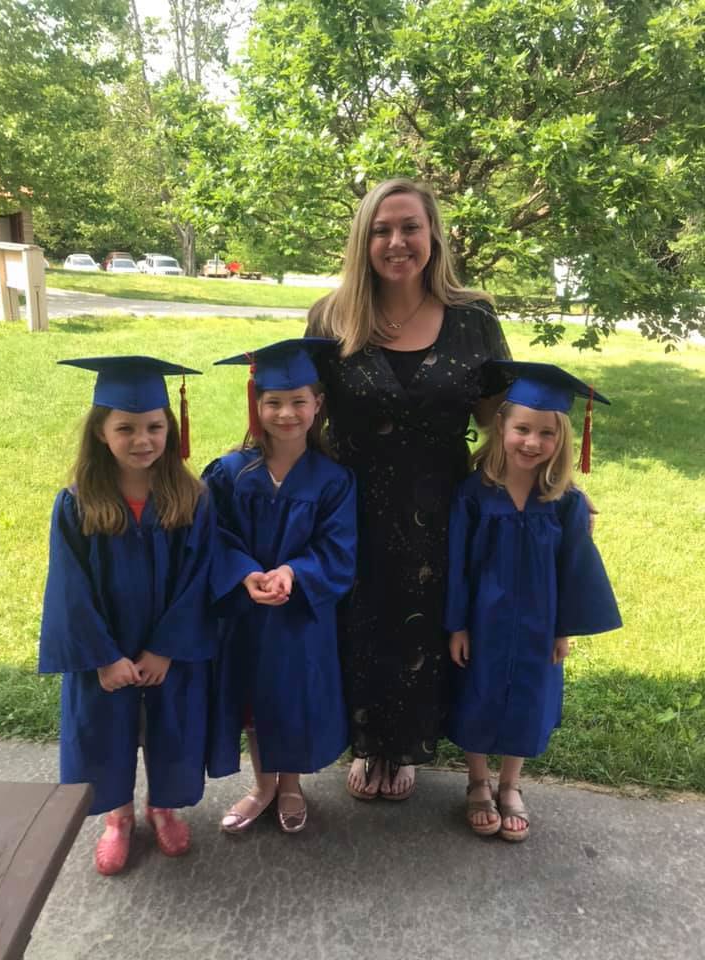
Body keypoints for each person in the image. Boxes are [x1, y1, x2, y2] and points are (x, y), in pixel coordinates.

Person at [305, 177, 512, 800]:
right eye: (381, 230)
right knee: (360, 621)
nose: (396, 242)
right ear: (363, 240)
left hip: (439, 503)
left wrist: (557, 490)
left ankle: (406, 747)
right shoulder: (332, 315)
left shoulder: (473, 316)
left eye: (410, 228)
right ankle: (370, 745)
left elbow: (499, 420)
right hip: (352, 504)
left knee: (423, 626)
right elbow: (300, 413)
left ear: (433, 236)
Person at [39, 356, 218, 875]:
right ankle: (117, 817)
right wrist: (102, 657)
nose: (143, 439)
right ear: (100, 432)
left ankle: (161, 807)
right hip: (107, 652)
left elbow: (199, 577)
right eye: (126, 428)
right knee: (104, 730)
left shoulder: (192, 499)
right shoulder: (76, 503)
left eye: (154, 427)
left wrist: (166, 647)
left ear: (170, 426)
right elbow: (68, 587)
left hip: (170, 651)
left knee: (172, 727)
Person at [446, 360, 622, 841]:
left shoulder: (563, 502)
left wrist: (562, 629)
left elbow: (573, 570)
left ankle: (510, 785)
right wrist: (458, 625)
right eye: (522, 428)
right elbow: (457, 565)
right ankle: (478, 782)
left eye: (546, 433)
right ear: (501, 425)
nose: (532, 442)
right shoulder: (474, 494)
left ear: (561, 440)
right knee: (478, 695)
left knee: (527, 698)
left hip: (538, 623)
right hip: (484, 620)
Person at [204, 338, 357, 834]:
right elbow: (212, 539)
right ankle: (261, 787)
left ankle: (290, 785)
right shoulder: (228, 474)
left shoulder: (333, 480)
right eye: (273, 402)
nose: (286, 412)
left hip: (299, 614)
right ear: (256, 404)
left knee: (293, 696)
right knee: (252, 698)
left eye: (298, 401)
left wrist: (294, 572)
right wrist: (245, 572)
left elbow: (339, 549)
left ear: (318, 406)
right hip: (245, 614)